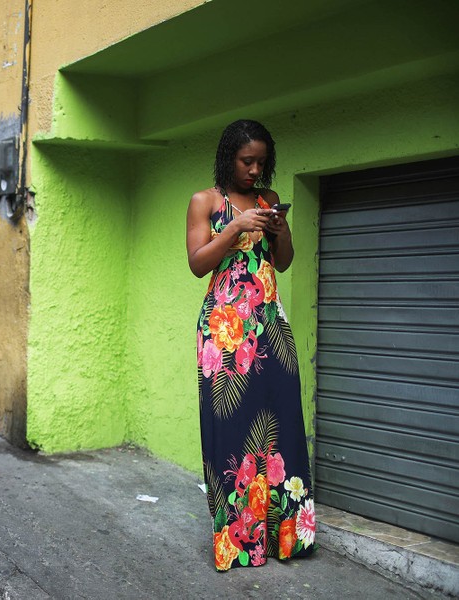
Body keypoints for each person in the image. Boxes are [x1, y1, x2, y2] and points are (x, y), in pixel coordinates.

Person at [186, 119, 316, 571]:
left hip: (270, 326)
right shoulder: (206, 201)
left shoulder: (271, 200)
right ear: (229, 158)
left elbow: (283, 261)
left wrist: (278, 229)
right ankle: (239, 542)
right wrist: (235, 227)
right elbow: (198, 264)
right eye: (247, 161)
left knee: (281, 424)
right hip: (223, 331)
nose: (255, 169)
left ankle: (287, 538)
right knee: (230, 430)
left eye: (262, 161)